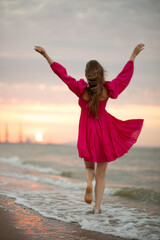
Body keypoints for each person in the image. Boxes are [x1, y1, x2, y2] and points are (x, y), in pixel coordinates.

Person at [34, 43, 144, 214]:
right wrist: (133, 55)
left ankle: (87, 184)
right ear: (101, 75)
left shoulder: (80, 89)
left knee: (89, 168)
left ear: (87, 76)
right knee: (101, 174)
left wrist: (46, 56)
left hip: (87, 132)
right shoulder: (107, 90)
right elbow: (124, 78)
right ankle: (97, 208)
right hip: (105, 130)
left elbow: (62, 75)